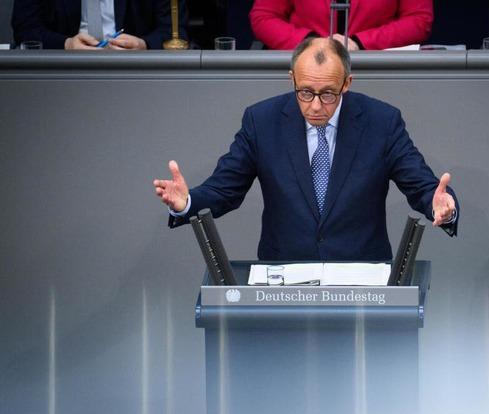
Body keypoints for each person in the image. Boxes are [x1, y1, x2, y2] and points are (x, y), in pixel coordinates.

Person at [153, 37, 458, 261]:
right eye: (305, 92)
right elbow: (224, 190)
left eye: (328, 94)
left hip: (361, 278)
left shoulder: (382, 122)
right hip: (284, 277)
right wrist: (187, 202)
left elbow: (421, 186)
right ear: (292, 80)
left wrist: (441, 205)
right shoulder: (262, 121)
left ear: (347, 84)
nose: (315, 106)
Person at [249, 0, 434, 51]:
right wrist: (311, 42)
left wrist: (360, 42)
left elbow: (419, 20)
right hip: (306, 66)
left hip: (374, 68)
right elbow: (263, 17)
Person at [12, 0, 187, 50]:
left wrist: (144, 45)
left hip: (134, 71)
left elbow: (175, 31)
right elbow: (25, 29)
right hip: (61, 71)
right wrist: (66, 44)